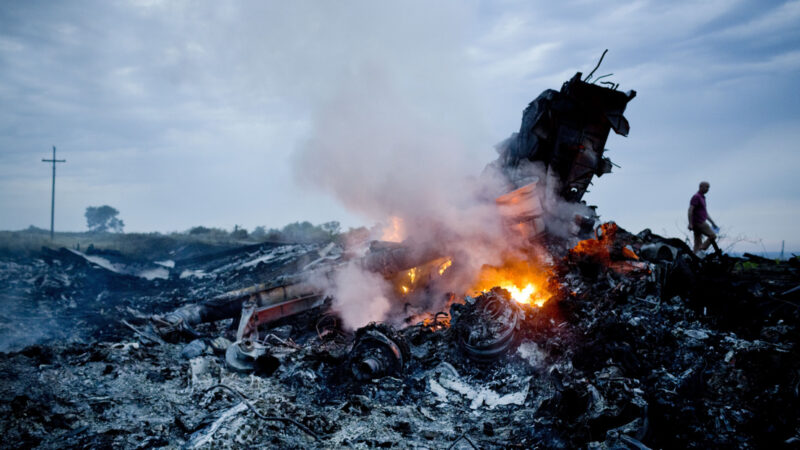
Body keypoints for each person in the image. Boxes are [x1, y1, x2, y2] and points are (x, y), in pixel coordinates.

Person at [688, 181, 720, 255]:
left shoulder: (702, 198)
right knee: (712, 235)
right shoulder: (696, 197)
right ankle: (701, 250)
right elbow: (690, 210)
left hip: (700, 221)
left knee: (697, 243)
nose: (708, 189)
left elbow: (705, 213)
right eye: (706, 187)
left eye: (708, 187)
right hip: (699, 222)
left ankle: (695, 258)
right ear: (701, 187)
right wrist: (690, 223)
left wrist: (713, 223)